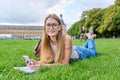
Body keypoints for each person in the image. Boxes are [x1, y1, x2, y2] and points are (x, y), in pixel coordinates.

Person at [27, 14, 97, 70]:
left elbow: (64, 64)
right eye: (48, 25)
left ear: (59, 27)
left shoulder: (67, 39)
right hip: (71, 49)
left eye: (54, 25)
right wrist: (36, 63)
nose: (51, 28)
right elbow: (47, 60)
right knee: (83, 47)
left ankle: (90, 38)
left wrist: (43, 66)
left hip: (79, 53)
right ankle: (88, 40)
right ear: (45, 27)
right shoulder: (45, 41)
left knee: (92, 52)